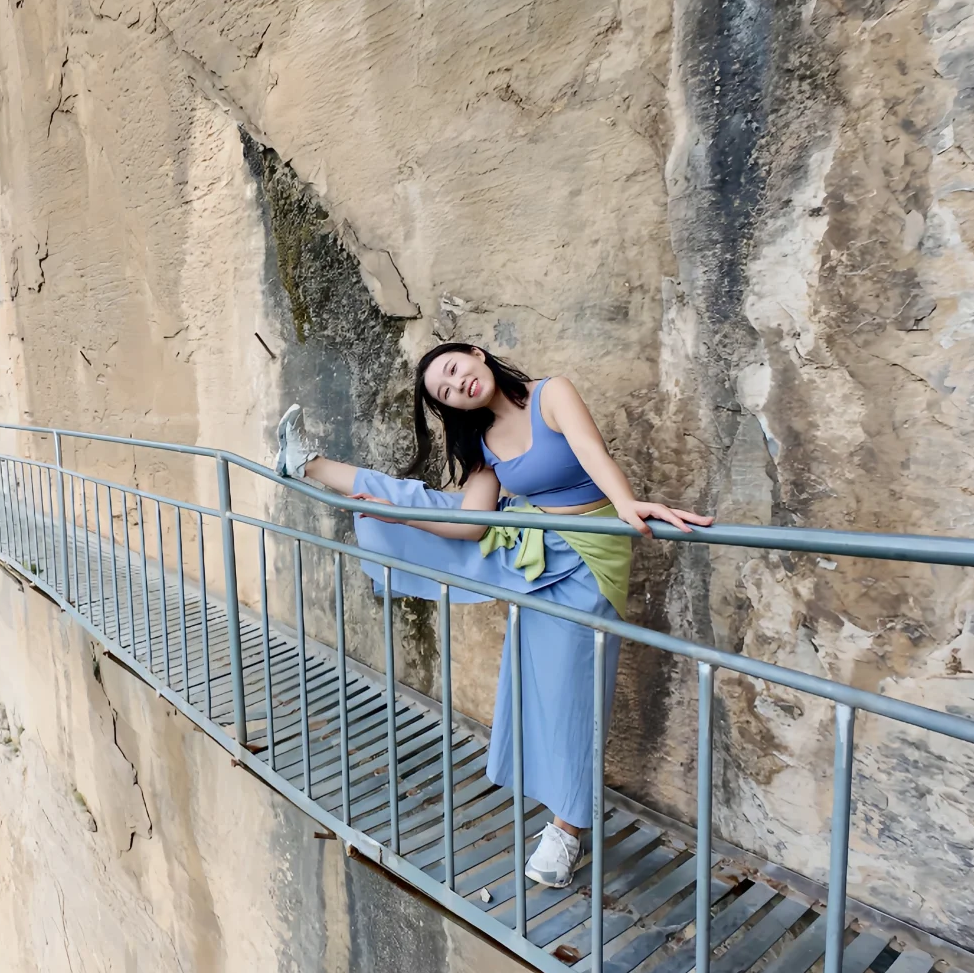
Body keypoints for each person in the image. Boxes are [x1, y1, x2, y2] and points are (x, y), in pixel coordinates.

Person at [273, 342, 711, 888]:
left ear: (478, 355)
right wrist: (396, 517)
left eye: (456, 371)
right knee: (422, 503)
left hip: (587, 558)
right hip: (533, 544)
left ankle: (566, 831)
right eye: (446, 392)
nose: (459, 386)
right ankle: (306, 463)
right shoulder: (483, 442)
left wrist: (627, 506)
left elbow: (594, 454)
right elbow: (471, 526)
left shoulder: (553, 393)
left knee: (574, 690)